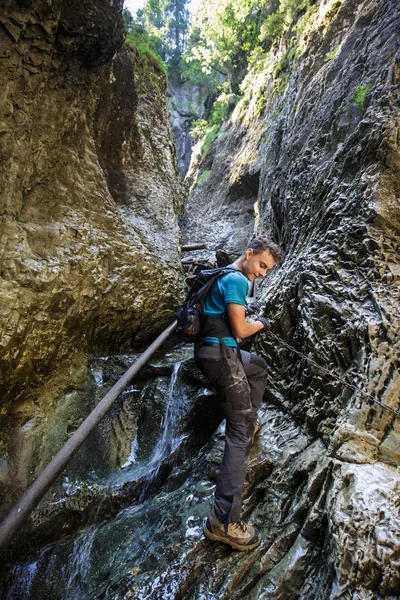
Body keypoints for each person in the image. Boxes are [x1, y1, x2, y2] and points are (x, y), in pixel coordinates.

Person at [194, 236, 282, 551]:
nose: (261, 273)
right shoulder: (236, 280)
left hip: (210, 353)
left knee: (257, 366)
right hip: (222, 357)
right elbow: (241, 330)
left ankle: (249, 417)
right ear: (248, 254)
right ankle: (224, 522)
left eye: (267, 270)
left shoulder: (222, 274)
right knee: (239, 433)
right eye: (261, 265)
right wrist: (260, 323)